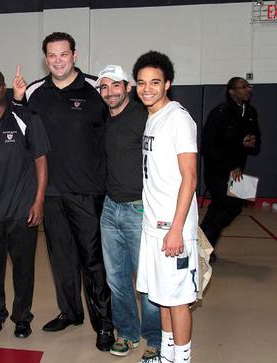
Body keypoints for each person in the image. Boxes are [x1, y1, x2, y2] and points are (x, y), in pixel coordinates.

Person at [14, 31, 114, 351]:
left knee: (93, 261)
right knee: (61, 260)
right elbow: (21, 137)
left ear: (74, 55)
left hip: (88, 191)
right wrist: (17, 101)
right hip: (50, 193)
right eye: (52, 55)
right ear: (45, 58)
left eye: (63, 54)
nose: (58, 60)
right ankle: (70, 313)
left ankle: (104, 323)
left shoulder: (97, 88)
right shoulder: (33, 93)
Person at [133, 50, 199, 363]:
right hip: (153, 225)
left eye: (155, 82)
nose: (147, 88)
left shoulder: (178, 119)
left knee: (179, 299)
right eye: (142, 82)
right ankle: (168, 355)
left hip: (173, 228)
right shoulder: (152, 117)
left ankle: (182, 359)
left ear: (167, 83)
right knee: (162, 297)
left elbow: (190, 179)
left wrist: (176, 229)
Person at [0, 68, 49, 339]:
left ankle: (22, 317)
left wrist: (38, 200)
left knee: (23, 269)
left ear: (4, 87)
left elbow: (41, 160)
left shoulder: (26, 118)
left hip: (21, 210)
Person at [96, 65, 162, 362]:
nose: (110, 92)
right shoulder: (103, 121)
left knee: (146, 281)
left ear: (127, 87)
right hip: (110, 209)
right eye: (104, 87)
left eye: (115, 86)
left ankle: (155, 339)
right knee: (116, 279)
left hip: (139, 209)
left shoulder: (143, 116)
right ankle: (128, 334)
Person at [200, 77, 261, 260]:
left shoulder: (250, 112)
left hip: (238, 173)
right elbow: (208, 146)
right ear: (232, 91)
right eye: (243, 87)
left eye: (248, 86)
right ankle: (203, 244)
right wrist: (230, 165)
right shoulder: (219, 113)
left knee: (218, 208)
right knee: (233, 206)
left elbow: (256, 142)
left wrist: (252, 143)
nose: (247, 90)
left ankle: (203, 246)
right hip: (217, 172)